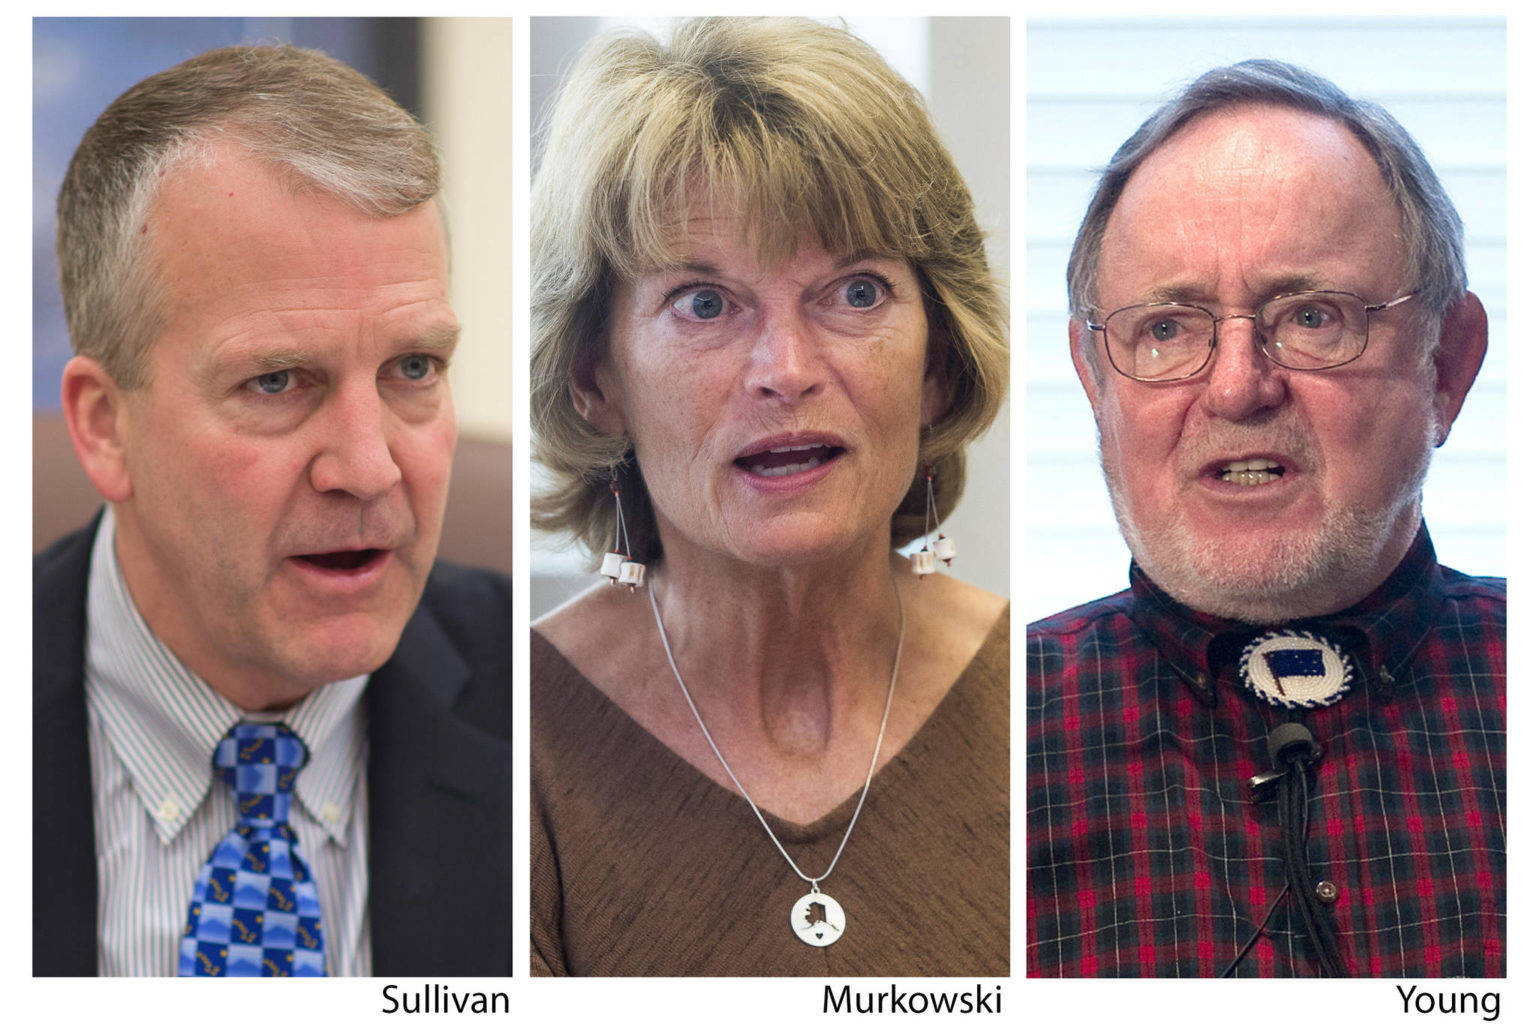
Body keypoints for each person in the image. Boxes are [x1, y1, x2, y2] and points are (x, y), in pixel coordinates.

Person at [530, 18, 1009, 976]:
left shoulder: (1044, 700)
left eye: (857, 292)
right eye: (704, 304)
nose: (785, 371)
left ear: (937, 365)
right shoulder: (513, 739)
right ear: (596, 379)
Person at [34, 45, 510, 977]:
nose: (370, 470)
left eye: (414, 369)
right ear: (105, 427)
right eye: (278, 381)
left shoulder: (549, 715)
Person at [1026, 60, 1503, 978]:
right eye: (1166, 328)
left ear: (1447, 367)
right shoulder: (1000, 733)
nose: (1239, 388)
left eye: (1313, 317)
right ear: (1095, 382)